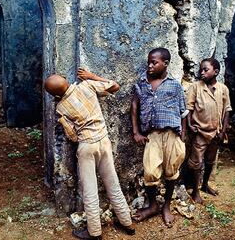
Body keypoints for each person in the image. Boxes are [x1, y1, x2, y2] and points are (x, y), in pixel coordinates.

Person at [44, 69, 135, 240]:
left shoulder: (61, 108)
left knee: (90, 190)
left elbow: (72, 136)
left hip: (86, 146)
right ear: (65, 80)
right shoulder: (87, 85)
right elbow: (115, 86)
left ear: (53, 95)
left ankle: (95, 232)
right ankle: (127, 223)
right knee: (113, 183)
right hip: (104, 141)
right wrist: (93, 76)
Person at [131, 47, 187, 227]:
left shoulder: (175, 85)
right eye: (149, 62)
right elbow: (134, 108)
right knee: (150, 171)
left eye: (154, 62)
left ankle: (166, 206)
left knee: (171, 172)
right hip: (152, 135)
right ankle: (153, 205)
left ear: (165, 64)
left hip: (172, 134)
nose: (150, 65)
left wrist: (182, 135)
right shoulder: (141, 83)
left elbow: (183, 112)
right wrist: (136, 132)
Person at [186, 58, 232, 204]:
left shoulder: (223, 89)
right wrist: (190, 125)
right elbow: (189, 108)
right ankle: (195, 191)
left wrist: (223, 130)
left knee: (210, 160)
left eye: (206, 70)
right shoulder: (196, 87)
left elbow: (227, 111)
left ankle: (205, 184)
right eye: (201, 70)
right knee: (196, 162)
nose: (202, 72)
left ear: (216, 72)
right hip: (200, 132)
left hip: (216, 133)